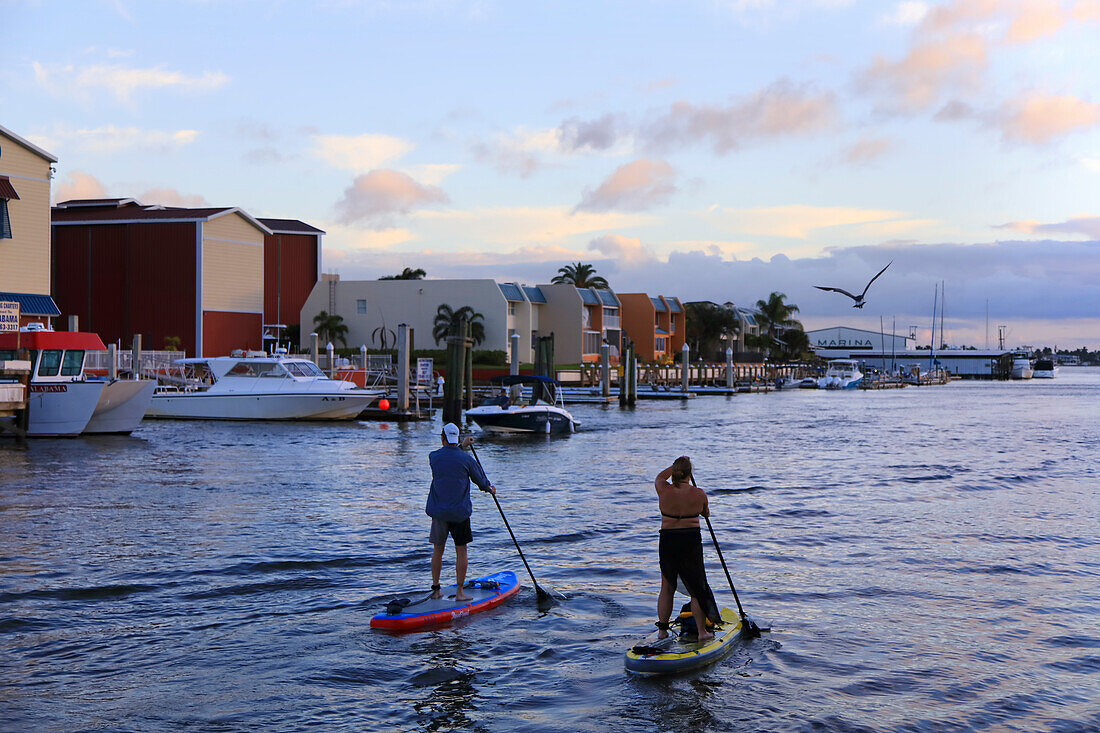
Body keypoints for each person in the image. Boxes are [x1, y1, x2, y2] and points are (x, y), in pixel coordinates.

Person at [654, 456, 721, 640]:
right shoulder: (699, 494)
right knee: (696, 587)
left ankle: (662, 631)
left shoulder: (663, 489)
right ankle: (701, 632)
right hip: (690, 541)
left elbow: (660, 477)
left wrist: (674, 466)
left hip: (668, 540)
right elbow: (705, 513)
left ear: (675, 473)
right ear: (690, 474)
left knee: (667, 586)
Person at [426, 422, 495, 601]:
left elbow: (448, 455)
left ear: (442, 438)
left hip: (439, 513)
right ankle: (459, 593)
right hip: (459, 513)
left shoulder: (433, 457)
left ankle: (435, 590)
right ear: (456, 438)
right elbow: (481, 481)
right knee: (461, 551)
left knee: (437, 551)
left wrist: (460, 446)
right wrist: (490, 488)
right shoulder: (467, 460)